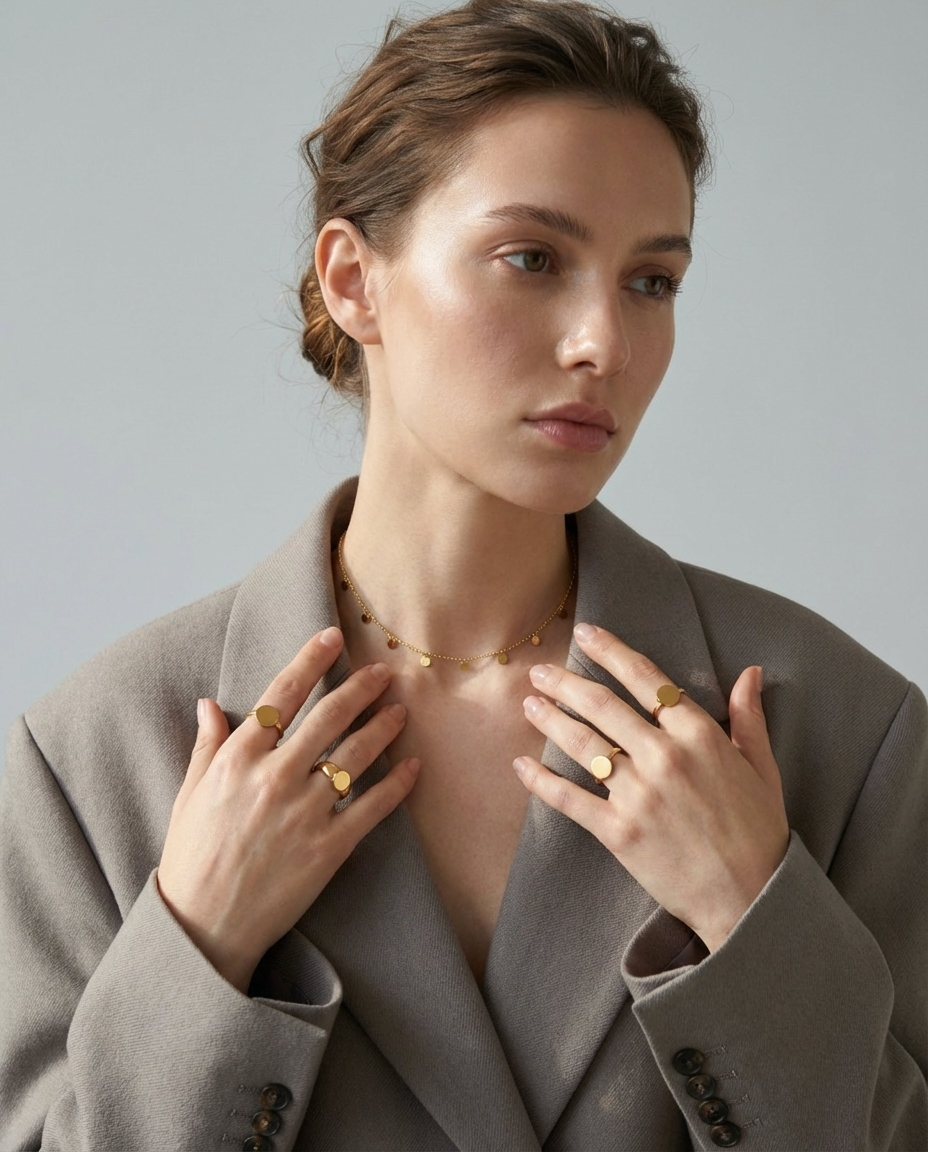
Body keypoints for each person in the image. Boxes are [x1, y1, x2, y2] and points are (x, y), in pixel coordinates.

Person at [1, 0, 925, 1148]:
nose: (605, 344)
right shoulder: (100, 760)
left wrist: (760, 930)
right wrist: (196, 949)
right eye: (531, 259)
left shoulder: (835, 729)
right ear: (354, 281)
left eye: (652, 280)